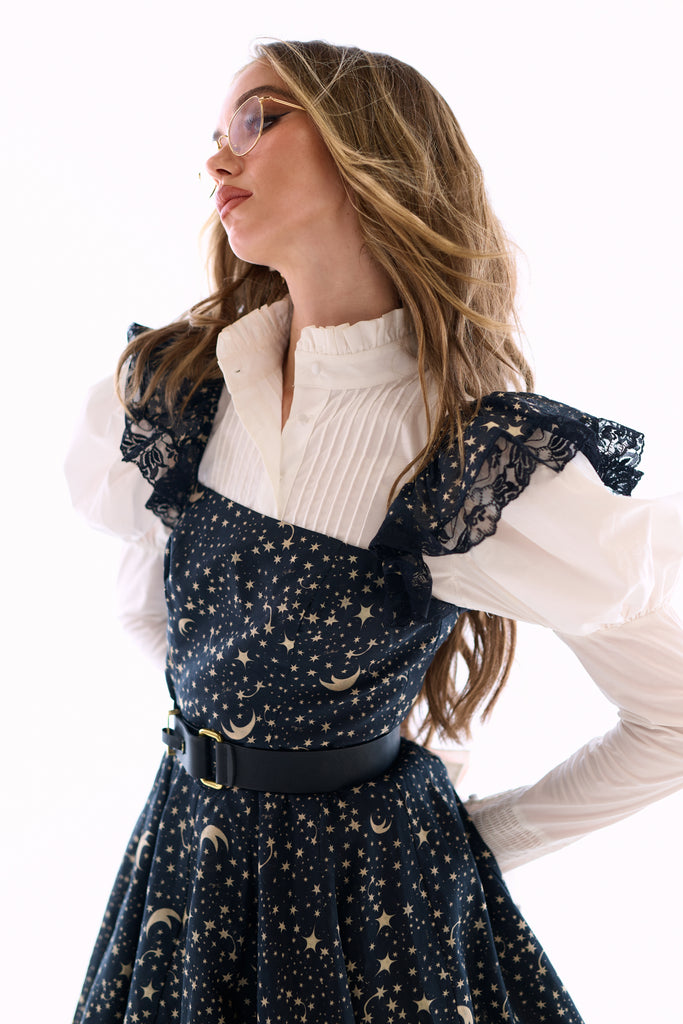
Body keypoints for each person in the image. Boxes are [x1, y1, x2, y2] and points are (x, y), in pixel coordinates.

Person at [65, 39, 683, 1024]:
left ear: (370, 148)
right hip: (184, 867)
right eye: (215, 133)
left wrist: (463, 840)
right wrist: (243, 739)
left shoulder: (462, 454)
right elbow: (157, 622)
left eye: (256, 120)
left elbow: (672, 717)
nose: (219, 158)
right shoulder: (181, 392)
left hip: (365, 911)